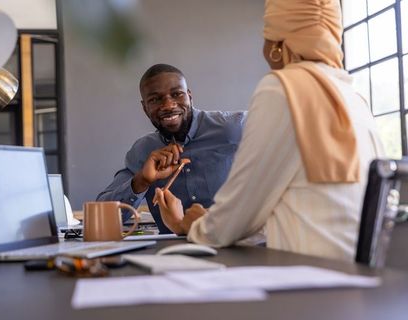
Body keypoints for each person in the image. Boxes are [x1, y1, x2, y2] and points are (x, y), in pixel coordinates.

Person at [155, 0, 385, 261]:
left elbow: (241, 207)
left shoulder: (283, 88)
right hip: (355, 274)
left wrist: (189, 224)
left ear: (277, 46)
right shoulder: (353, 97)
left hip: (307, 277)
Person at [97, 64, 247, 234]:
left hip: (235, 248)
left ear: (190, 96)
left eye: (177, 94)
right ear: (145, 108)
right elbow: (101, 218)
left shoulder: (235, 128)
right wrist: (141, 181)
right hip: (170, 257)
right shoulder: (143, 151)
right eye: (155, 99)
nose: (168, 105)